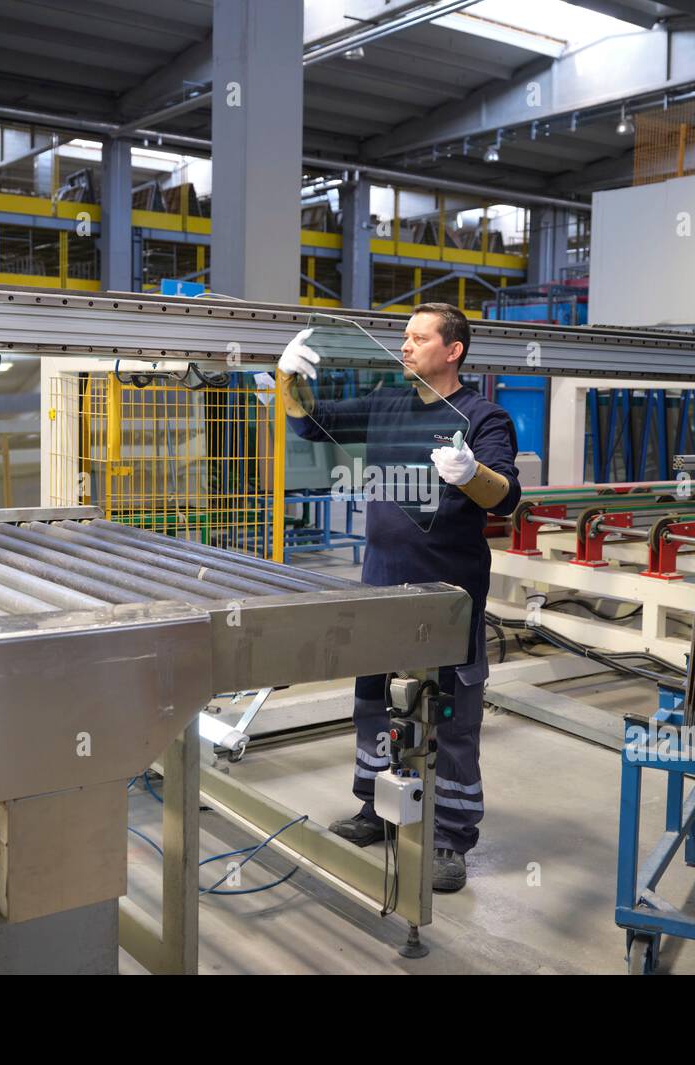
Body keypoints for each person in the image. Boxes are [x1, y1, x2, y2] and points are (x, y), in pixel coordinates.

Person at [276, 303, 521, 892]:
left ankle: (450, 836)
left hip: (448, 596)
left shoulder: (483, 417)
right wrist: (286, 380)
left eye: (418, 338)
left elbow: (506, 498)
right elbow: (311, 423)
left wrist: (469, 473)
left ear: (453, 350)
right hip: (381, 586)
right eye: (404, 337)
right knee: (374, 704)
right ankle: (377, 806)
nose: (405, 346)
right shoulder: (386, 403)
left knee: (451, 718)